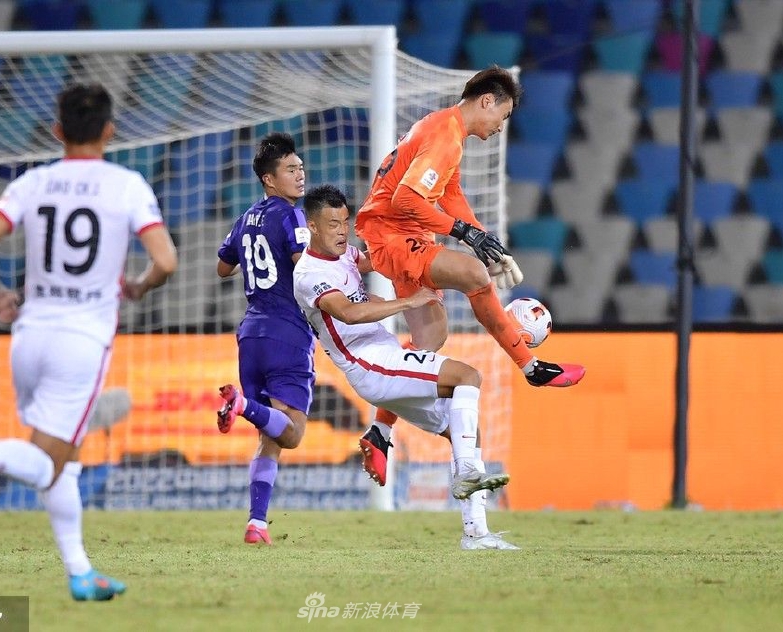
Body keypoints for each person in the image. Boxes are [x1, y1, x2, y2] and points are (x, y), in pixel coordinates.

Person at [0, 83, 178, 601]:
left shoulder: (34, 182)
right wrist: (139, 286)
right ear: (109, 131)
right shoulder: (127, 185)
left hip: (29, 338)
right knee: (48, 461)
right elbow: (166, 260)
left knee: (66, 456)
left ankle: (81, 573)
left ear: (57, 131)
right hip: (80, 342)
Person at [355, 65, 586, 486]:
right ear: (487, 101)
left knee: (430, 339)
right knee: (473, 275)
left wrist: (483, 236)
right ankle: (530, 365)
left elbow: (451, 193)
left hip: (399, 233)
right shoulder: (444, 134)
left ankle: (379, 431)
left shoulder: (447, 131)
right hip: (394, 234)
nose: (501, 126)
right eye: (504, 115)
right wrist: (465, 235)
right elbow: (406, 199)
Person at [294, 185, 519, 550]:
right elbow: (348, 312)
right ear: (313, 226)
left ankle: (476, 534)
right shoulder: (308, 274)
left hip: (384, 358)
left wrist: (422, 252)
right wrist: (407, 302)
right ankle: (463, 472)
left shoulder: (346, 255)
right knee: (467, 376)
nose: (342, 231)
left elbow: (377, 262)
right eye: (332, 224)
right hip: (370, 366)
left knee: (466, 434)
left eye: (346, 222)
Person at [215, 132, 313, 546]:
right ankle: (241, 405)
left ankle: (257, 522)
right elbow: (304, 266)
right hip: (287, 332)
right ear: (269, 180)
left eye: (301, 167)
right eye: (290, 169)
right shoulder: (292, 216)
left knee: (269, 437)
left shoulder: (245, 219)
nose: (300, 175)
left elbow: (223, 267)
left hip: (251, 335)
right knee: (292, 433)